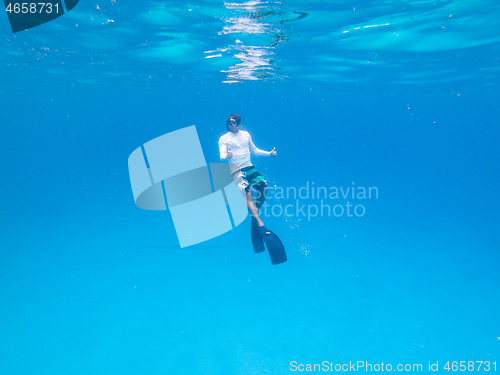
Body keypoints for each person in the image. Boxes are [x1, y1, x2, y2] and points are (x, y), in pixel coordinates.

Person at [218, 113, 277, 228]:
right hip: (236, 170)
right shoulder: (224, 138)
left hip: (249, 167)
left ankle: (255, 212)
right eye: (229, 122)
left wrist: (269, 154)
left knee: (263, 188)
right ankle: (259, 222)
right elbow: (221, 155)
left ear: (239, 124)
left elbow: (255, 151)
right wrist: (227, 155)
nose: (231, 125)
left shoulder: (245, 135)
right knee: (248, 195)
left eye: (233, 123)